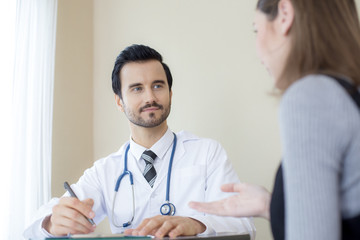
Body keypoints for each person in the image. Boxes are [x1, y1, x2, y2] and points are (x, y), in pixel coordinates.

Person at [23, 44, 255, 239]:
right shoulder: (105, 172)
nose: (150, 97)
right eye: (136, 89)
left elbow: (245, 226)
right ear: (119, 102)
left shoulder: (207, 153)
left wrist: (196, 224)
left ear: (170, 93)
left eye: (157, 85)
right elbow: (29, 230)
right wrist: (52, 223)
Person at [189, 0, 360, 240]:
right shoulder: (349, 94)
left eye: (256, 29)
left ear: (285, 15)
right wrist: (271, 205)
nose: (258, 53)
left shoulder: (311, 96)